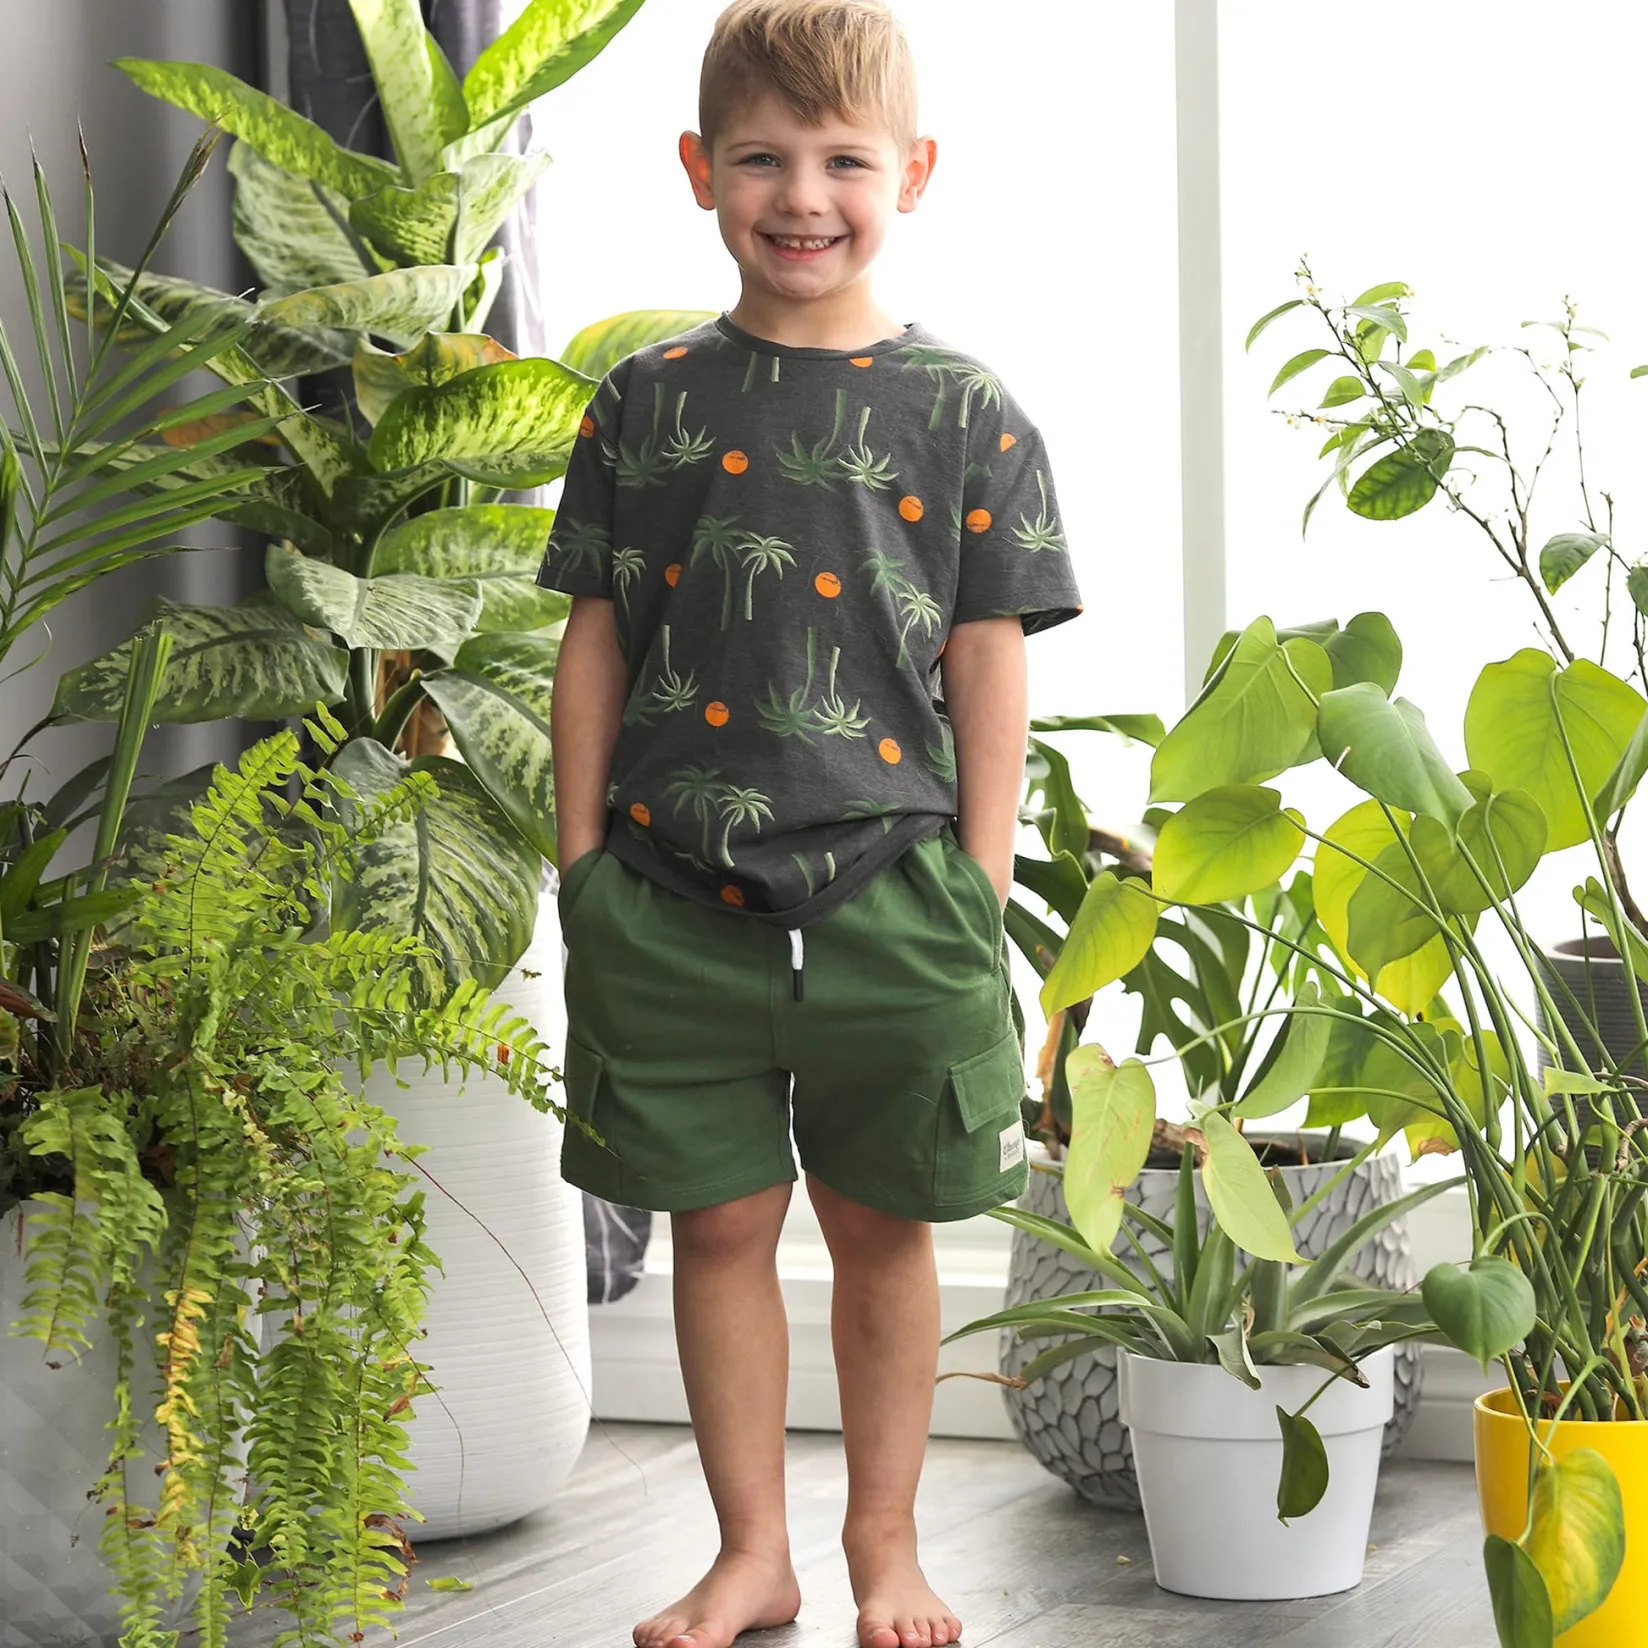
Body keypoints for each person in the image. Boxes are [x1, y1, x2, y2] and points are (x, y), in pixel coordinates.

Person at [539, 4, 1082, 1644]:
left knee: (880, 1231)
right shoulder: (641, 400)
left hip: (896, 893)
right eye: (762, 157)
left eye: (844, 159)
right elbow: (595, 638)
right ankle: (751, 1555)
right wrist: (581, 865)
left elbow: (989, 657)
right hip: (665, 894)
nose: (802, 195)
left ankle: (887, 1550)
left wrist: (978, 880)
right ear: (699, 168)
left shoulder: (968, 411)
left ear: (913, 172)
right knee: (717, 1229)